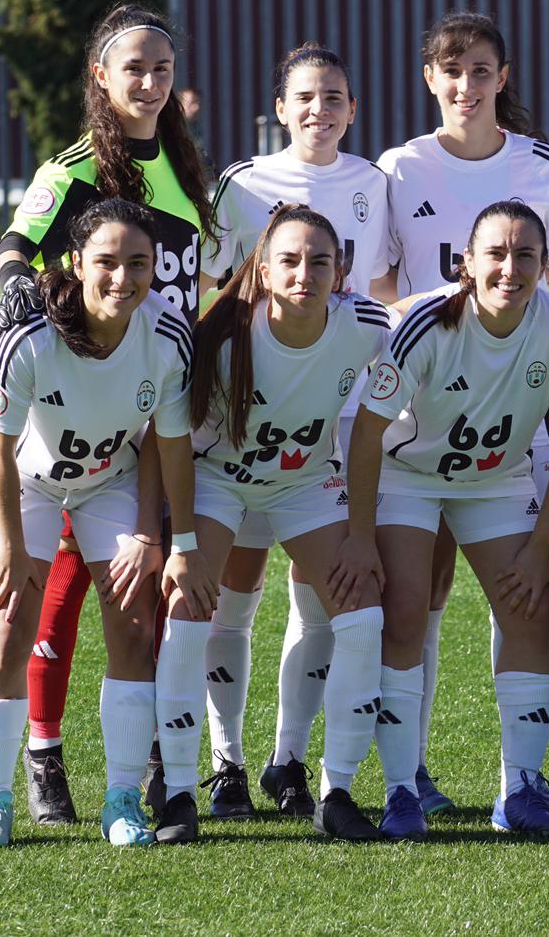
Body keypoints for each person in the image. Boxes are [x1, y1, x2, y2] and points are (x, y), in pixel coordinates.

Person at [337, 200, 549, 840]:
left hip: (497, 479)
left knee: (531, 603)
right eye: (495, 253)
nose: (510, 268)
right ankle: (401, 790)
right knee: (406, 607)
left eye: (526, 255)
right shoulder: (424, 323)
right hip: (408, 476)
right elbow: (366, 434)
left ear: (545, 266)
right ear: (465, 263)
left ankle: (518, 789)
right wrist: (359, 536)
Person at [0, 1, 213, 826]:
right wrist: (18, 291)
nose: (150, 83)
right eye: (134, 68)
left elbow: (197, 284)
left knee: (145, 589)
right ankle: (43, 753)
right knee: (58, 599)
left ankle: (155, 758)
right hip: (77, 411)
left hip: (159, 405)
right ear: (100, 76)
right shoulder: (76, 165)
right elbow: (17, 245)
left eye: (162, 68)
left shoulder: (186, 169)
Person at [365, 11, 549, 814]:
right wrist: (430, 350)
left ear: (504, 77)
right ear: (431, 79)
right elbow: (380, 284)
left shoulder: (538, 165)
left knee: (522, 591)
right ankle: (406, 774)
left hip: (513, 417)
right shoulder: (399, 167)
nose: (467, 85)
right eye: (452, 71)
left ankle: (517, 781)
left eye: (482, 70)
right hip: (417, 416)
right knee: (413, 599)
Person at [0, 198, 205, 849]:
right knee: (10, 627)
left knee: (133, 624)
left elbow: (167, 441)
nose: (122, 278)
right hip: (28, 485)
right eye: (106, 262)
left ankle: (122, 800)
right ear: (75, 263)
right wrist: (12, 547)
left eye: (138, 263)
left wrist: (165, 540)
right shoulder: (30, 333)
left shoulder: (169, 334)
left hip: (112, 482)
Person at [149, 204, 392, 844]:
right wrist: (174, 541)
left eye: (319, 261)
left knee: (361, 614)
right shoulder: (221, 335)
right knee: (190, 608)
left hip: (305, 483)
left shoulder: (366, 325)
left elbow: (425, 339)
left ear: (341, 271)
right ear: (262, 265)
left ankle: (335, 791)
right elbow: (164, 436)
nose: (304, 273)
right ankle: (183, 788)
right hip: (219, 481)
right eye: (289, 259)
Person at [196, 44, 395, 820]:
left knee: (324, 604)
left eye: (336, 96)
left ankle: (291, 760)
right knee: (231, 600)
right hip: (242, 428)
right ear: (280, 107)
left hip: (326, 431)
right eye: (306, 96)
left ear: (353, 108)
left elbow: (378, 297)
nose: (321, 109)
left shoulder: (373, 184)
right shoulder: (242, 182)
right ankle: (225, 763)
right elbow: (214, 297)